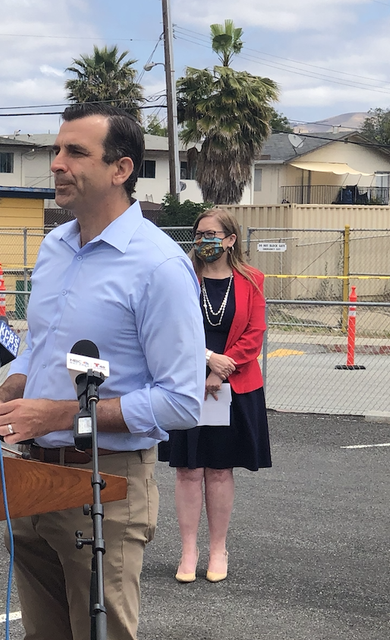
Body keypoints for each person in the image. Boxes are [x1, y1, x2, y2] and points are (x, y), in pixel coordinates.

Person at [0, 103, 205, 640]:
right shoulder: (54, 247)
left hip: (106, 484)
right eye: (56, 150)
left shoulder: (159, 267)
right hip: (31, 478)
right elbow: (39, 351)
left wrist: (59, 412)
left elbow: (183, 401)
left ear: (121, 170)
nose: (56, 163)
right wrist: (2, 394)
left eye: (75, 152)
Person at [158, 208, 271, 584]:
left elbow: (254, 334)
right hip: (186, 384)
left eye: (211, 234)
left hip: (234, 388)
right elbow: (171, 327)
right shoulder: (184, 277)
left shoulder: (253, 280)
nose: (204, 240)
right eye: (199, 234)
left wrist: (224, 368)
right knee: (188, 470)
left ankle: (218, 548)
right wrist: (208, 360)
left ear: (230, 239)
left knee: (220, 470)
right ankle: (188, 550)